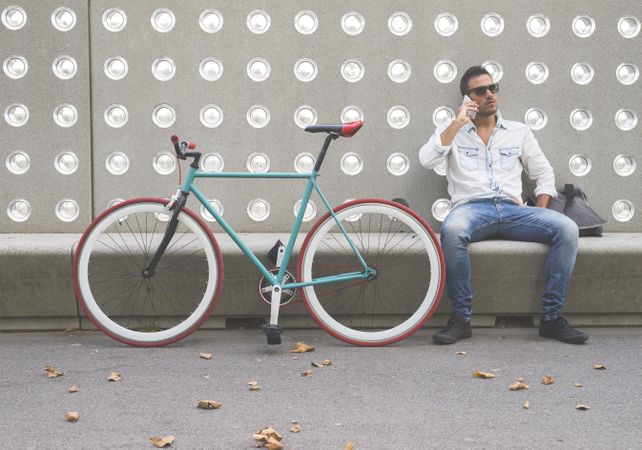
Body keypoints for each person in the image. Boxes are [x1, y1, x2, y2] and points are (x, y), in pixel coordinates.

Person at [419, 65, 588, 345]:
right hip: (471, 209)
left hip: (513, 210)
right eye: (480, 90)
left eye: (493, 87)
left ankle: (551, 318)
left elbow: (544, 174)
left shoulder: (518, 131)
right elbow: (426, 159)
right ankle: (461, 319)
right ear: (467, 98)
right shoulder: (451, 131)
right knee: (452, 231)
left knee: (567, 229)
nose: (490, 94)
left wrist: (539, 212)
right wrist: (458, 123)